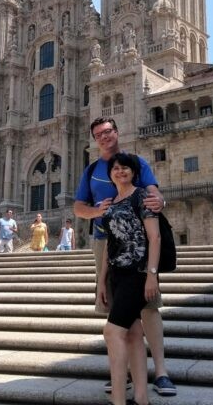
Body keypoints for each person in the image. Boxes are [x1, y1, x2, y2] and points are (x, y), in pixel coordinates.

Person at [74, 116, 176, 397]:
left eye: (108, 132)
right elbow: (79, 207)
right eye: (99, 134)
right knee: (117, 308)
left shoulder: (136, 162)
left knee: (149, 306)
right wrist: (97, 212)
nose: (104, 137)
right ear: (95, 139)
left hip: (139, 247)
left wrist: (161, 201)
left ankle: (161, 372)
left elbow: (153, 193)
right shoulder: (92, 170)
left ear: (116, 132)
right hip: (105, 243)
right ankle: (124, 372)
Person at [97, 153, 160, 405]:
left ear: (134, 172)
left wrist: (151, 276)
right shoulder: (110, 204)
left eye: (125, 168)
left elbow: (154, 238)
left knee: (112, 332)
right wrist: (102, 281)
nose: (120, 171)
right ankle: (142, 398)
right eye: (115, 168)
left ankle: (119, 400)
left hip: (137, 273)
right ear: (110, 174)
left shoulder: (142, 196)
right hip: (117, 275)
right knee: (133, 333)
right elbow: (109, 244)